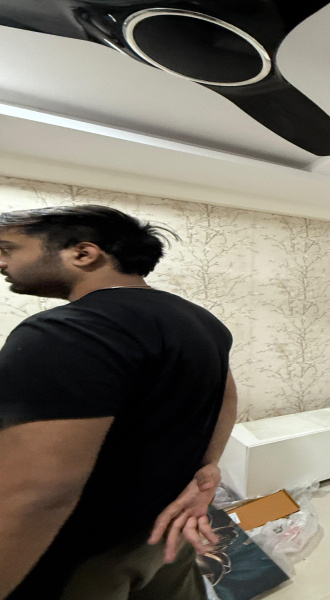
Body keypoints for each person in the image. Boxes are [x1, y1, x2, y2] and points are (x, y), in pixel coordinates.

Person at [0, 205, 238, 600]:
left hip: (84, 554)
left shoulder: (68, 330)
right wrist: (206, 468)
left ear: (83, 253)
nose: (2, 262)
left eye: (9, 248)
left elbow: (39, 493)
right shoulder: (198, 319)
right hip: (166, 534)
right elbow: (226, 393)